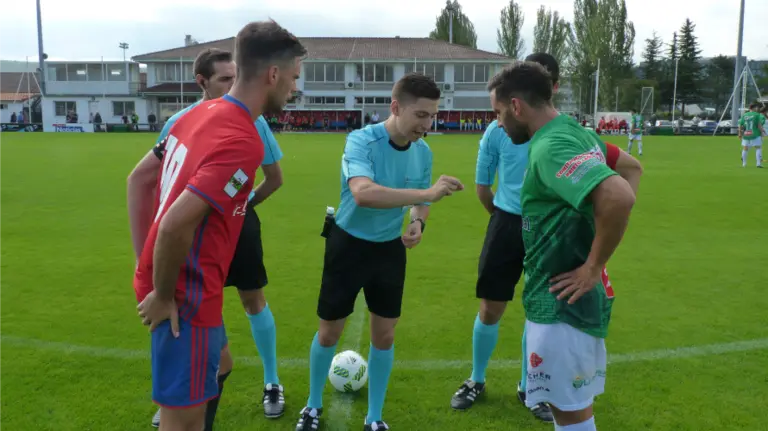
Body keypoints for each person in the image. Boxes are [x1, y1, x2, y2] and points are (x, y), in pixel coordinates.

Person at [133, 21, 305, 431]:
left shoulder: (196, 114)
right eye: (294, 78)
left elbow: (137, 180)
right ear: (273, 75)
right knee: (183, 422)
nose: (294, 90)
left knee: (220, 365)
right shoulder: (243, 139)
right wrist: (161, 291)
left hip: (186, 286)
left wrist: (144, 263)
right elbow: (175, 226)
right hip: (185, 298)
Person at [294, 73, 463, 431]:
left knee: (384, 335)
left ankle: (374, 418)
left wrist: (418, 222)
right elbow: (363, 193)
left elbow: (420, 203)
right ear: (396, 107)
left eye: (432, 115)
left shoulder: (423, 152)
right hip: (348, 244)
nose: (426, 124)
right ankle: (311, 407)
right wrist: (425, 197)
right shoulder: (361, 141)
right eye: (420, 114)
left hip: (388, 251)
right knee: (329, 333)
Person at [487, 60, 640, 431]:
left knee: (570, 415)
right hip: (569, 301)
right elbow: (631, 167)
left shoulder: (550, 146)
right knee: (570, 411)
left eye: (498, 112)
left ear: (517, 106)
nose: (498, 122)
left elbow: (619, 195)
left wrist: (592, 265)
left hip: (561, 305)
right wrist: (595, 237)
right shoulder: (574, 131)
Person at [450, 52, 562, 423]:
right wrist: (503, 219)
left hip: (548, 229)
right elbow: (483, 186)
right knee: (490, 307)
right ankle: (476, 379)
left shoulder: (563, 132)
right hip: (506, 223)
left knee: (540, 312)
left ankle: (531, 386)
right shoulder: (496, 130)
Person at [738, 103, 765, 168]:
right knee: (758, 148)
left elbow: (740, 125)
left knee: (745, 148)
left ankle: (744, 164)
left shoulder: (744, 115)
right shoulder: (757, 115)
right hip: (755, 134)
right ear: (754, 108)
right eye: (756, 108)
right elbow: (759, 125)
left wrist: (739, 133)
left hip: (746, 134)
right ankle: (758, 164)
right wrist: (762, 132)